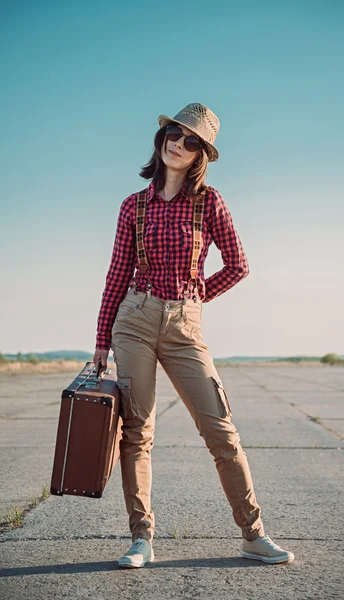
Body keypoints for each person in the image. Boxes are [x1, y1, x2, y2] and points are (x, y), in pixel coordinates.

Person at [93, 103, 295, 568]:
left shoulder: (210, 202)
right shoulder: (134, 205)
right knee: (137, 432)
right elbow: (116, 275)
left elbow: (239, 264)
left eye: (191, 141)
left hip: (185, 325)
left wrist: (197, 295)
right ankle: (141, 539)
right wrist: (102, 340)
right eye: (174, 134)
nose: (178, 145)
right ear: (161, 139)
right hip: (135, 321)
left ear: (201, 152)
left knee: (221, 430)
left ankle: (253, 534)